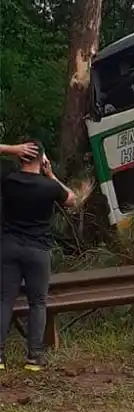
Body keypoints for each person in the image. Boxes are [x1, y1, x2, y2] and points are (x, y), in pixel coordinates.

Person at [0, 141, 77, 371]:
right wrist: (51, 174)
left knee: (4, 300)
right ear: (42, 160)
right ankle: (34, 357)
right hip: (38, 250)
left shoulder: (8, 181)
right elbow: (72, 199)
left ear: (20, 158)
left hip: (9, 247)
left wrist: (9, 149)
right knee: (38, 303)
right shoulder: (49, 187)